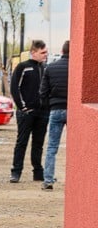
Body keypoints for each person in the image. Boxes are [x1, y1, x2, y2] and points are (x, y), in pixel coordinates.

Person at [9, 40, 49, 182]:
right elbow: (14, 88)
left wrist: (47, 106)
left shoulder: (45, 68)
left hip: (43, 112)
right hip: (26, 112)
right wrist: (22, 107)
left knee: (38, 143)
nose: (45, 55)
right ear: (33, 52)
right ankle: (16, 172)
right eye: (42, 52)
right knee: (22, 142)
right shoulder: (22, 67)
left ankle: (38, 172)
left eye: (46, 52)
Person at [39, 40, 69, 190]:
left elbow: (43, 92)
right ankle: (74, 179)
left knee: (52, 146)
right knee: (76, 146)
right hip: (73, 111)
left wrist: (48, 106)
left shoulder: (50, 68)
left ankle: (48, 180)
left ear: (62, 52)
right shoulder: (77, 68)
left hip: (55, 109)